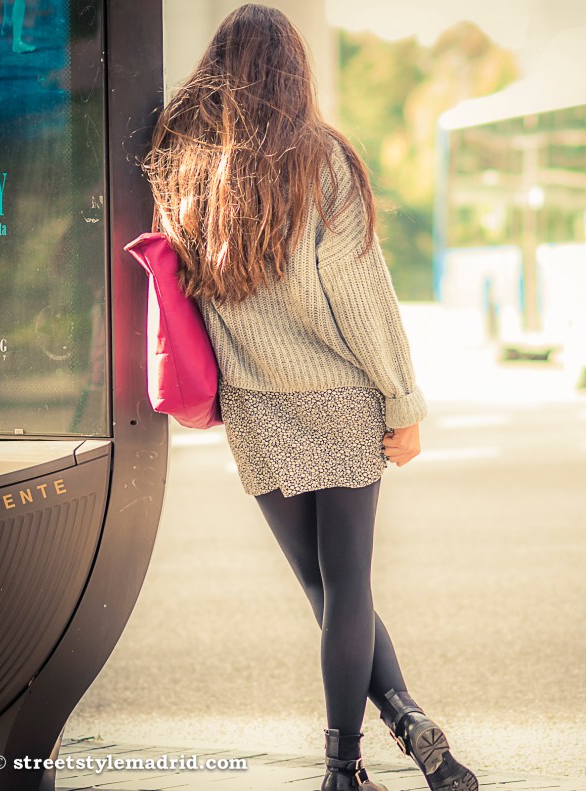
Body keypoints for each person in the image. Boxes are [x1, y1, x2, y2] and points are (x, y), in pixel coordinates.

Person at [142, 5, 478, 791]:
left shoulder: (183, 162)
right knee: (348, 584)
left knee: (324, 590)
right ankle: (344, 763)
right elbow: (361, 294)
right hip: (339, 397)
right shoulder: (321, 159)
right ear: (293, 71)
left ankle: (392, 732)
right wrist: (403, 401)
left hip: (255, 404)